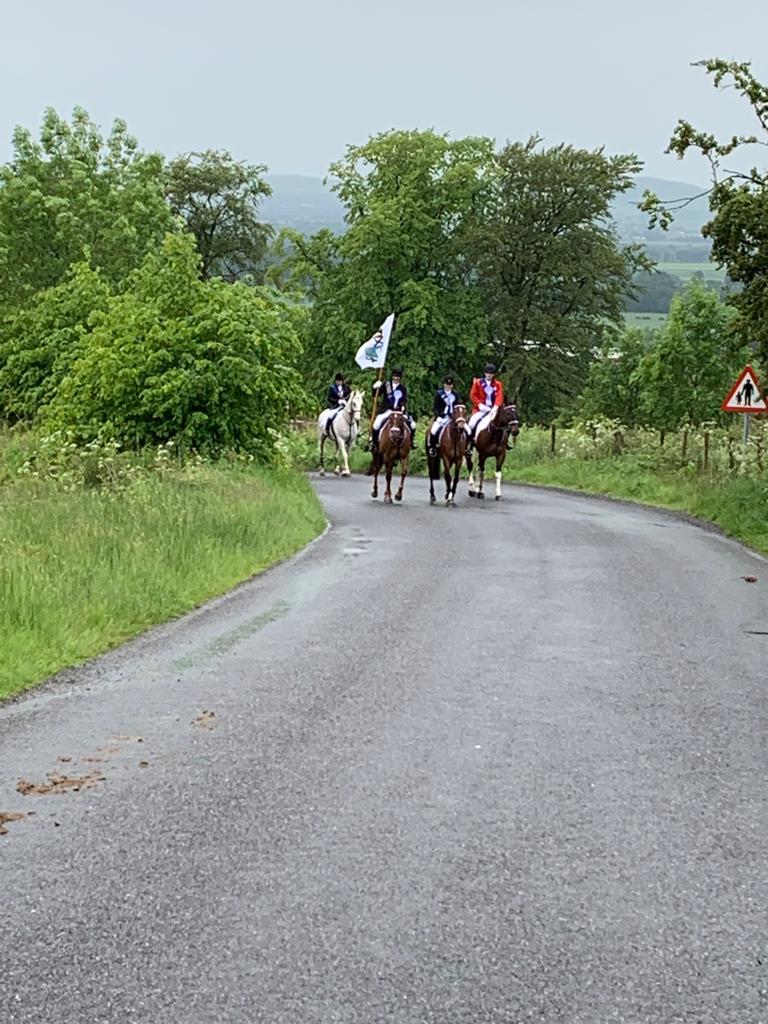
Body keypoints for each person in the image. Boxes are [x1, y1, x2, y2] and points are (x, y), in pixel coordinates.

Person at [369, 368, 415, 450]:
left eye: (398, 377)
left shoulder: (402, 388)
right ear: (392, 376)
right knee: (376, 425)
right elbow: (376, 395)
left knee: (412, 425)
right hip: (387, 410)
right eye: (395, 377)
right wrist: (374, 387)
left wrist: (403, 406)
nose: (396, 379)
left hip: (399, 411)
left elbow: (404, 400)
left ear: (400, 378)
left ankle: (411, 442)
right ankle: (374, 443)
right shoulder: (386, 385)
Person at [467, 363, 504, 449]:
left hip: (493, 409)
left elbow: (499, 396)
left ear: (493, 374)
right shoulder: (478, 383)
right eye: (487, 373)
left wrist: (496, 406)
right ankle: (469, 443)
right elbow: (473, 395)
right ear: (485, 373)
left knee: (503, 422)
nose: (489, 375)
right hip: (480, 409)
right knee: (471, 424)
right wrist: (479, 405)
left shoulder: (498, 384)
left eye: (491, 373)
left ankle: (503, 443)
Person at [427, 376, 465, 457]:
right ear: (444, 385)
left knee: (467, 430)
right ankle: (433, 447)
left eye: (450, 384)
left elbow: (459, 405)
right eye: (447, 384)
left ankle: (466, 449)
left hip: (454, 418)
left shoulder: (456, 394)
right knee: (433, 430)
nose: (448, 386)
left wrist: (458, 416)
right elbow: (436, 407)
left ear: (452, 385)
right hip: (442, 416)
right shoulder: (439, 394)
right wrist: (438, 416)